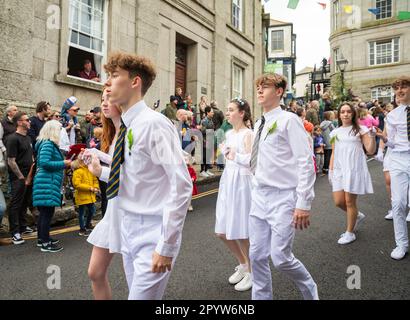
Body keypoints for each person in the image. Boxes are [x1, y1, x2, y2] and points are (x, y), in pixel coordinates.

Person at [92, 52, 192, 300]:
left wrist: (166, 245)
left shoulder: (154, 124)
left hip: (152, 232)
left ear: (135, 82)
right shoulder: (126, 126)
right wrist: (99, 169)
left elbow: (181, 185)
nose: (108, 83)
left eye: (115, 76)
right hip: (128, 229)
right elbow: (130, 178)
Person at [250, 73, 318, 300]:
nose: (259, 90)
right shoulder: (259, 123)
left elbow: (305, 161)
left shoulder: (289, 120)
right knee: (257, 255)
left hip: (283, 198)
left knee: (280, 258)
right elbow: (260, 160)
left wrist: (303, 203)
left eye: (265, 87)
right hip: (259, 197)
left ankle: (310, 290)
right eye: (258, 87)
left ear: (279, 91)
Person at [86, 87, 123, 300]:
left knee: (138, 281)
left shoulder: (131, 130)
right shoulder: (114, 131)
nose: (104, 103)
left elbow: (133, 177)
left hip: (131, 210)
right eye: (102, 99)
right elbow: (120, 164)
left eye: (109, 98)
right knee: (95, 272)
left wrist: (100, 172)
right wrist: (96, 154)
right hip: (114, 207)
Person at [215, 98, 254, 292]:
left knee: (242, 231)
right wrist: (224, 153)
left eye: (231, 110)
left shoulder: (249, 134)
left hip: (242, 183)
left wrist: (233, 155)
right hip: (228, 181)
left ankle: (252, 272)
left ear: (242, 113)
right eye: (227, 110)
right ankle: (244, 264)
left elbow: (251, 161)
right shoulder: (228, 133)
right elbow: (227, 157)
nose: (228, 113)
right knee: (221, 231)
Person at [329, 102, 376, 245]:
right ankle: (357, 215)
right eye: (342, 112)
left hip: (354, 168)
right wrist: (331, 170)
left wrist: (373, 136)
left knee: (350, 202)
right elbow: (333, 152)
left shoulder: (360, 130)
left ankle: (350, 233)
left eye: (348, 111)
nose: (345, 114)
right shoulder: (335, 132)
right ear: (339, 114)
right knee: (338, 202)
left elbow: (370, 150)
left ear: (353, 113)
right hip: (338, 169)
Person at [376, 76, 410, 260]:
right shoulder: (393, 115)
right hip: (398, 159)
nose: (399, 90)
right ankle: (401, 244)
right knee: (398, 203)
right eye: (397, 88)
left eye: (403, 86)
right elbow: (394, 143)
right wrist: (386, 140)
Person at [33, 120, 72, 252]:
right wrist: (63, 163)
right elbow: (44, 163)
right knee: (46, 213)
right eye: (60, 129)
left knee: (44, 213)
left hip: (45, 181)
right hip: (47, 182)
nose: (62, 132)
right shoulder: (49, 144)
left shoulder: (45, 143)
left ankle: (42, 239)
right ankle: (45, 244)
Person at [6, 112, 35, 245]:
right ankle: (15, 232)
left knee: (25, 202)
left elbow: (30, 156)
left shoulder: (28, 138)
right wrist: (21, 177)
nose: (29, 122)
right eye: (27, 120)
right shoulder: (13, 138)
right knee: (16, 204)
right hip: (19, 177)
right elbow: (11, 161)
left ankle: (23, 226)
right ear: (19, 122)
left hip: (29, 175)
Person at [72, 156, 99, 236]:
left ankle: (87, 224)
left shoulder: (90, 170)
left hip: (90, 196)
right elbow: (77, 184)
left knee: (92, 211)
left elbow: (95, 180)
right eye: (85, 161)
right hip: (82, 196)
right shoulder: (77, 171)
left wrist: (96, 187)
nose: (87, 162)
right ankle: (82, 229)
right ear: (80, 162)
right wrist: (90, 188)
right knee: (81, 213)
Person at [200, 106, 215, 178]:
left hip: (210, 140)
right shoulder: (204, 121)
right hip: (205, 140)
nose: (213, 113)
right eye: (211, 112)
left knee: (208, 155)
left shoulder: (211, 120)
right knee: (204, 156)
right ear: (207, 112)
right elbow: (202, 131)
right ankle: (202, 171)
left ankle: (206, 169)